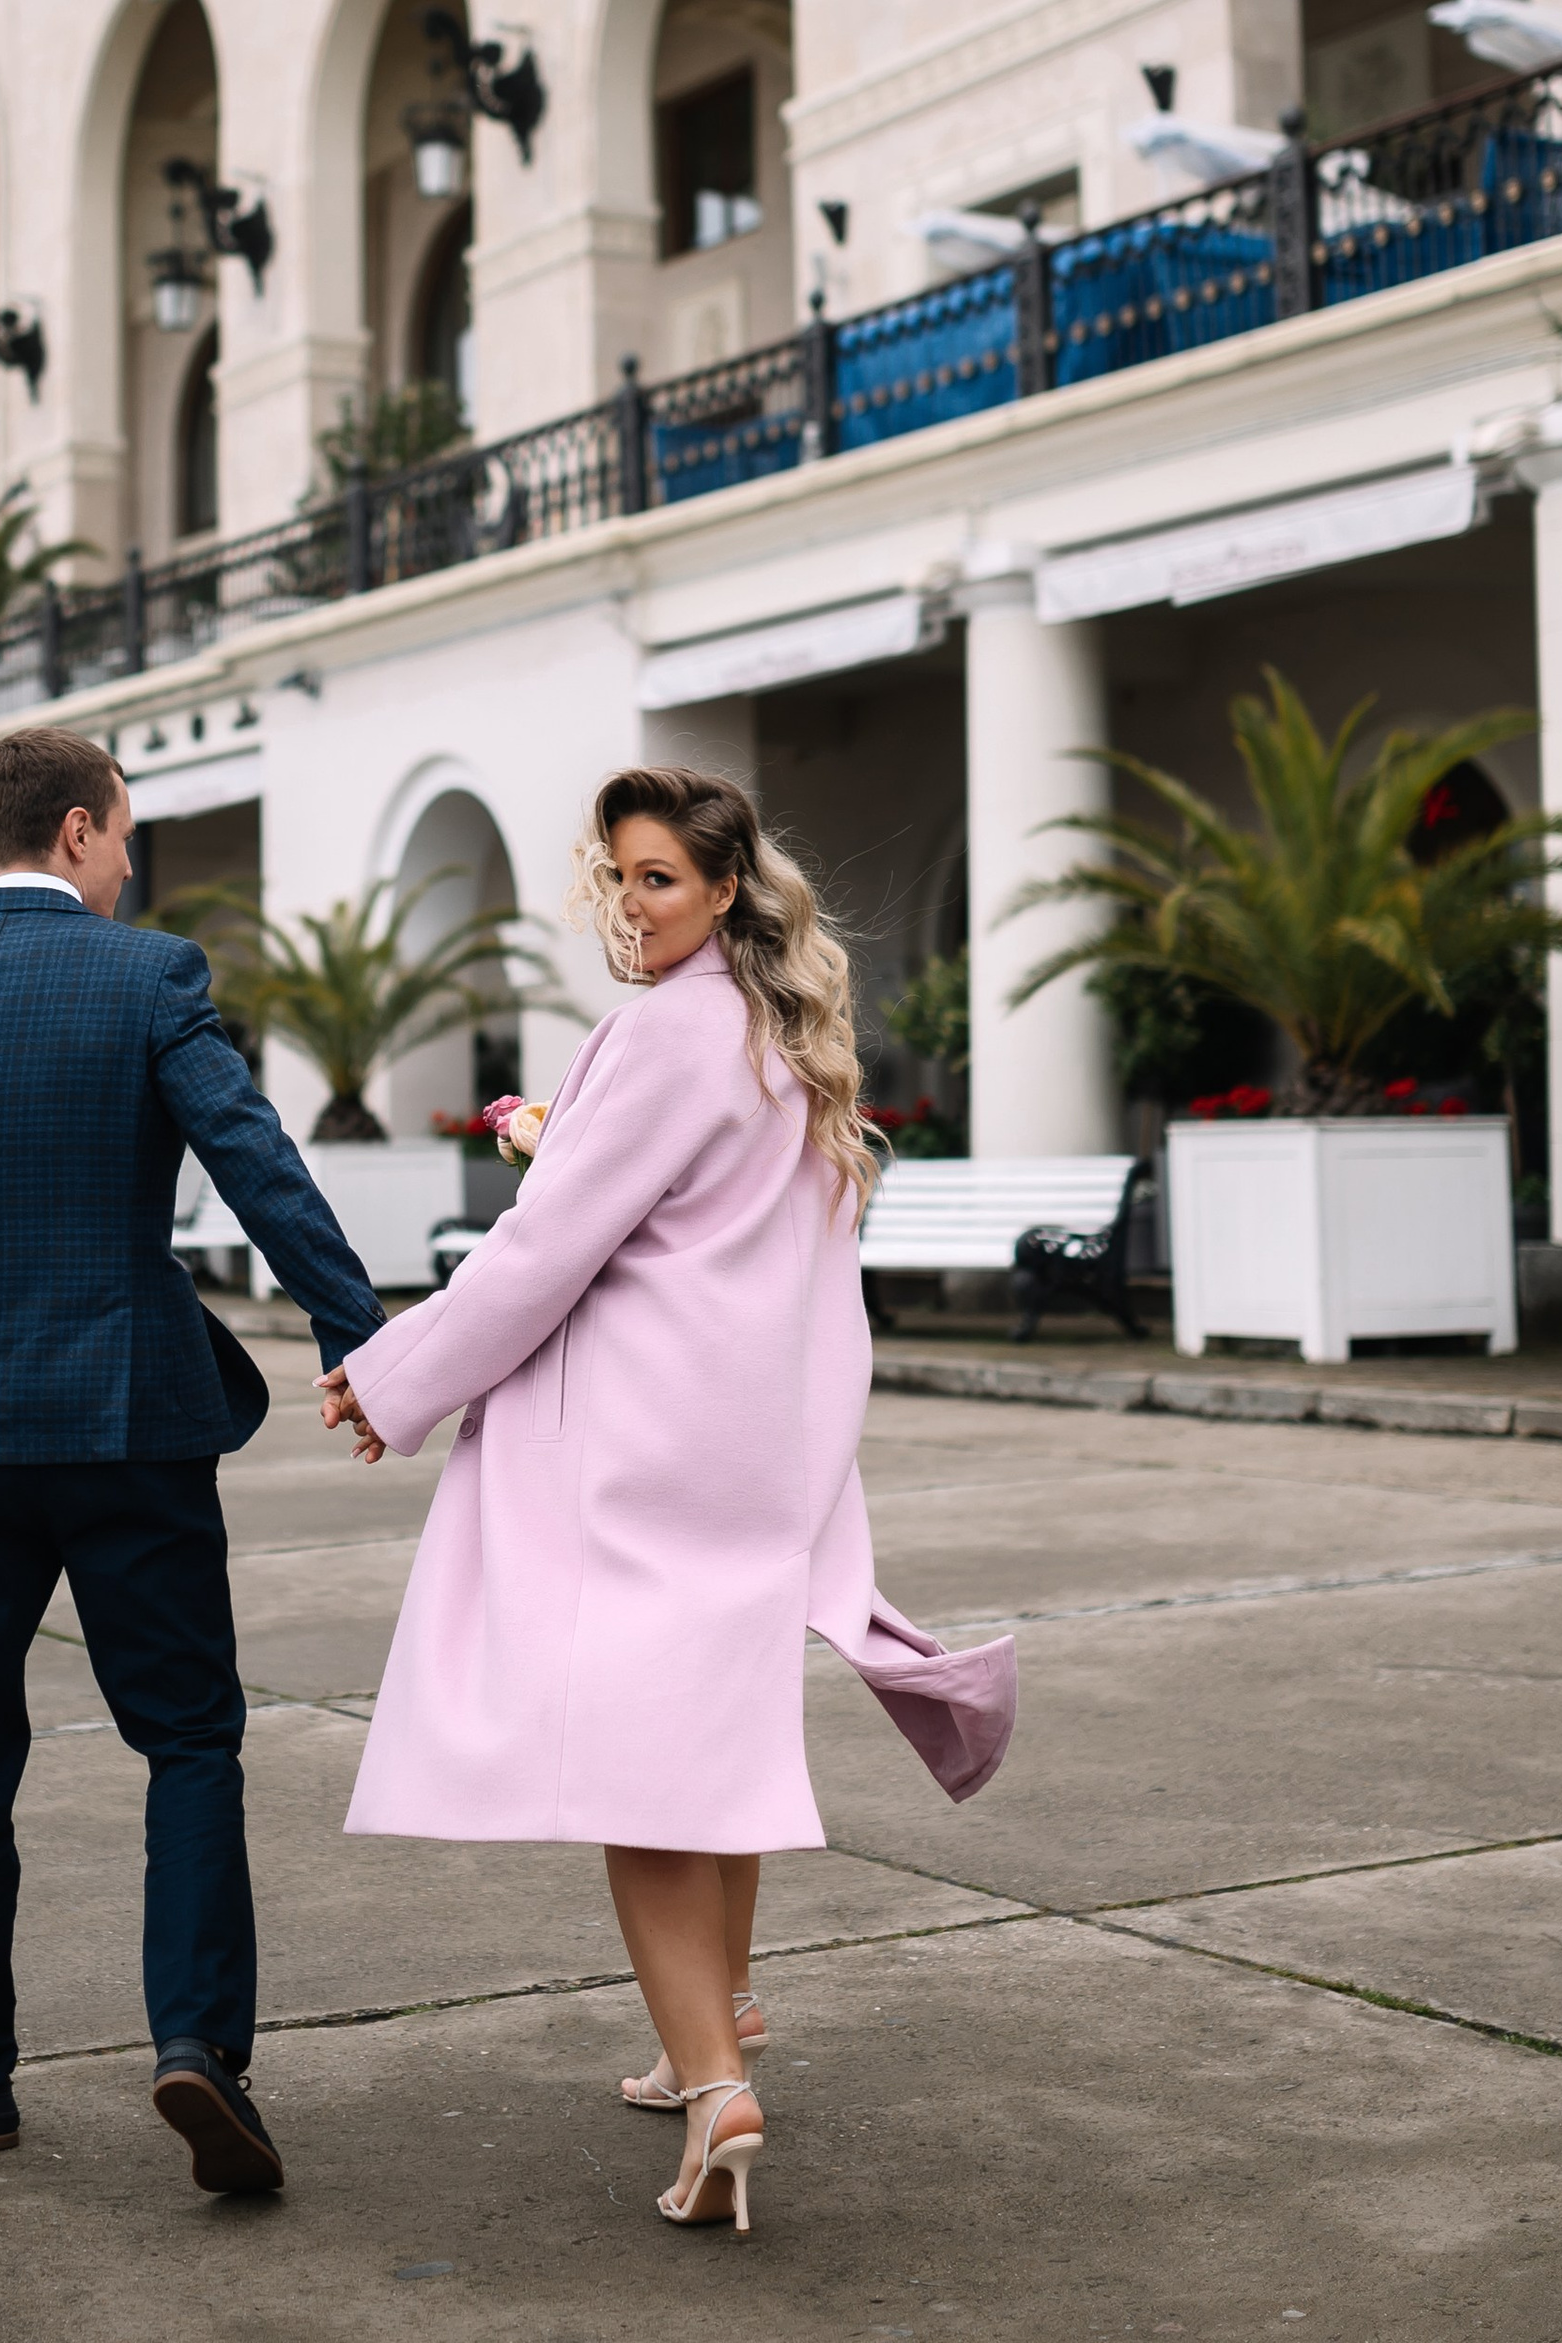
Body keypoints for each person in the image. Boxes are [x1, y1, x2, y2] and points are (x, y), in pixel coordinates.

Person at [318, 764, 1015, 2238]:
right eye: (620, 877)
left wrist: (395, 1381)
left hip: (635, 1459)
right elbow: (817, 1286)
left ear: (721, 895)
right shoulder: (790, 1046)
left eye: (661, 882)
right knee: (714, 1751)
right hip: (751, 1452)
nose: (632, 907)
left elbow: (535, 1260)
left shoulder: (657, 1040)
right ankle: (720, 2022)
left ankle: (716, 2096)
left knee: (635, 1780)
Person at [0, 723, 384, 2195]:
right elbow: (256, 1160)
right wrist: (366, 1340)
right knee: (190, 1739)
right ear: (77, 831)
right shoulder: (148, 975)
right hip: (131, 1416)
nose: (131, 857)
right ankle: (199, 2048)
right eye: (125, 831)